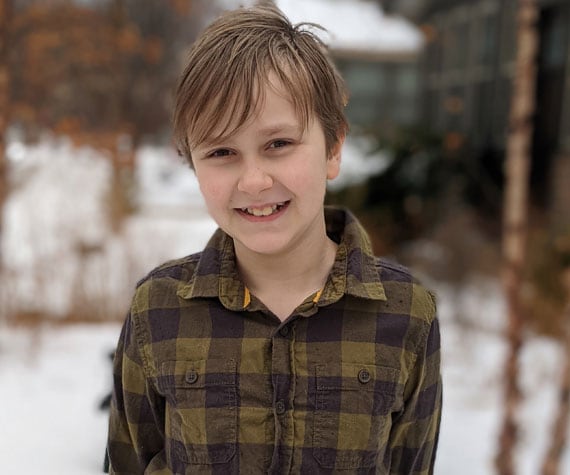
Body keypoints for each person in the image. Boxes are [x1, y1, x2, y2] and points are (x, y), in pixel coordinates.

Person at [107, 4, 442, 474]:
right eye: (222, 151)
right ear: (193, 164)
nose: (254, 181)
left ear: (333, 147)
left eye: (278, 144)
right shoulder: (157, 310)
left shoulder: (407, 314)